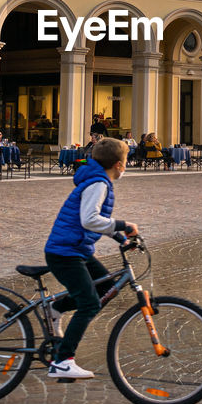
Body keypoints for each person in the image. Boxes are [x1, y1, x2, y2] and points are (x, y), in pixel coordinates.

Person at [42, 137, 139, 380]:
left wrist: (121, 238)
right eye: (126, 161)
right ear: (118, 164)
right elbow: (89, 219)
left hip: (78, 250)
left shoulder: (98, 180)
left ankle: (56, 308)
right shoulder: (99, 183)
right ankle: (63, 361)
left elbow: (95, 222)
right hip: (66, 253)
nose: (126, 166)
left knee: (105, 286)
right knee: (89, 303)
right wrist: (123, 225)